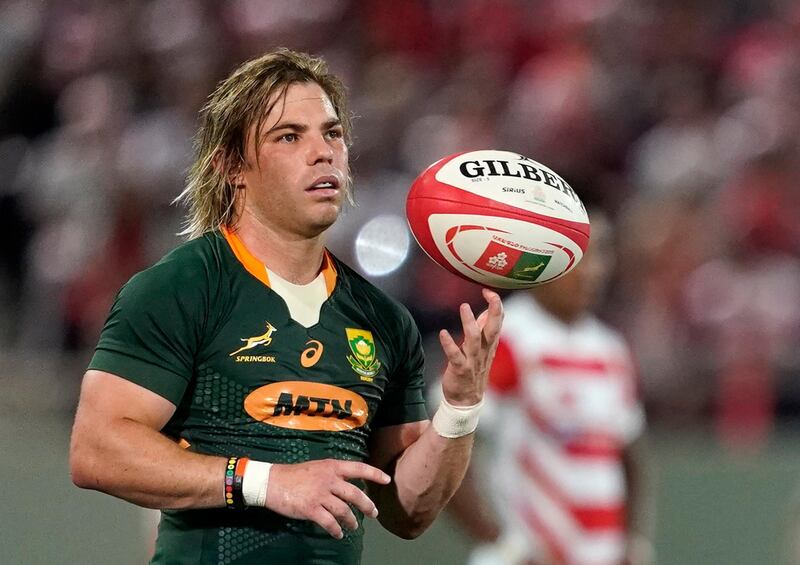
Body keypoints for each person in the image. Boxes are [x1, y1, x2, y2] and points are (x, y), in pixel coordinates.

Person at [69, 48, 503, 564]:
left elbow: (407, 511)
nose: (323, 152)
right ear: (233, 167)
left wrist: (459, 407)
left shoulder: (384, 320)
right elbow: (96, 450)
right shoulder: (182, 288)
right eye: (290, 136)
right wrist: (264, 481)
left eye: (332, 133)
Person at [446, 213, 655, 565]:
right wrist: (500, 542)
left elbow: (629, 456)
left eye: (600, 253)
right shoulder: (503, 337)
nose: (592, 270)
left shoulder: (611, 349)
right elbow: (445, 444)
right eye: (576, 254)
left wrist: (630, 542)